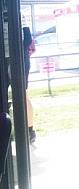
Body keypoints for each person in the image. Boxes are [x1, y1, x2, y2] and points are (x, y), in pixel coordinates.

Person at [22, 16, 37, 144]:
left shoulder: (17, 11)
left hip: (19, 58)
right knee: (24, 94)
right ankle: (30, 131)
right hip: (21, 57)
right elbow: (28, 38)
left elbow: (27, 38)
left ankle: (30, 130)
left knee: (23, 95)